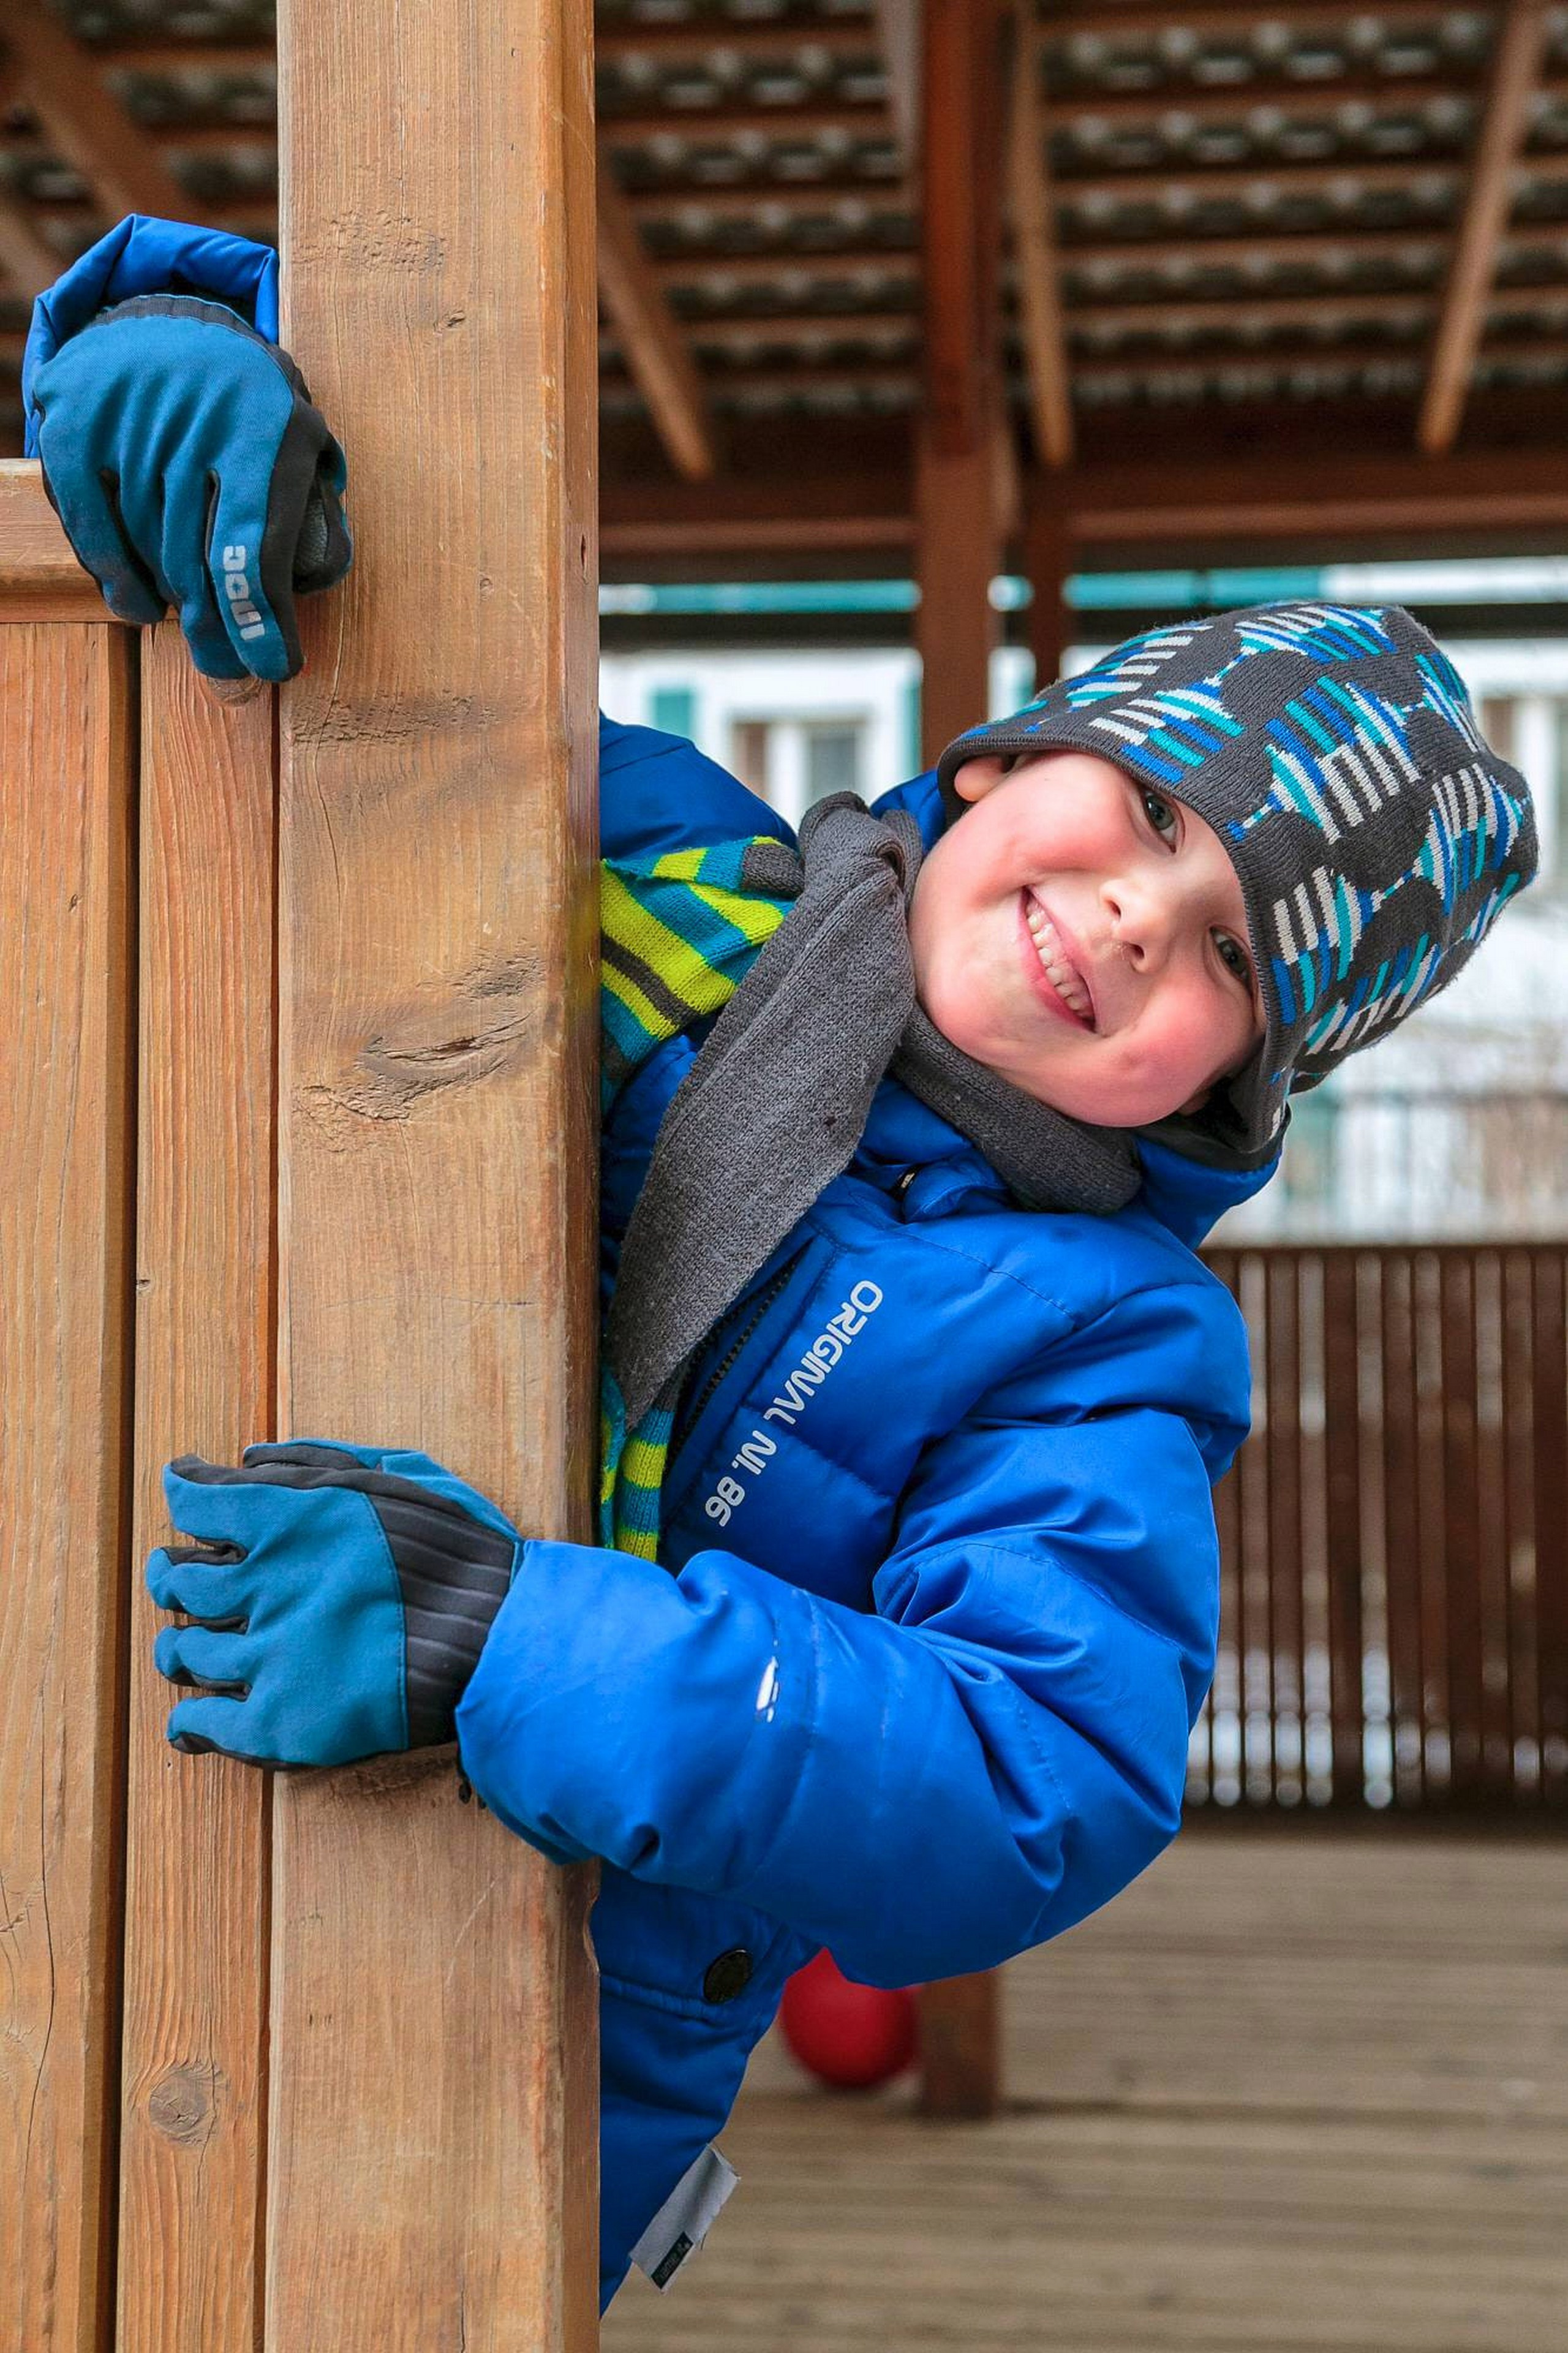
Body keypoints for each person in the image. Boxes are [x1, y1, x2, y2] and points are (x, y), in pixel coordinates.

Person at [25, 217, 1539, 2311]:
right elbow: (419, 521)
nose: (1130, 922)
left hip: (495, 2065)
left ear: (1234, 1095)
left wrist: (521, 1647)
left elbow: (1041, 1769)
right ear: (1009, 760)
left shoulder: (1101, 1339)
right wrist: (181, 352)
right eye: (1152, 824)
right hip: (104, 1755)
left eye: (1229, 964)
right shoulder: (650, 850)